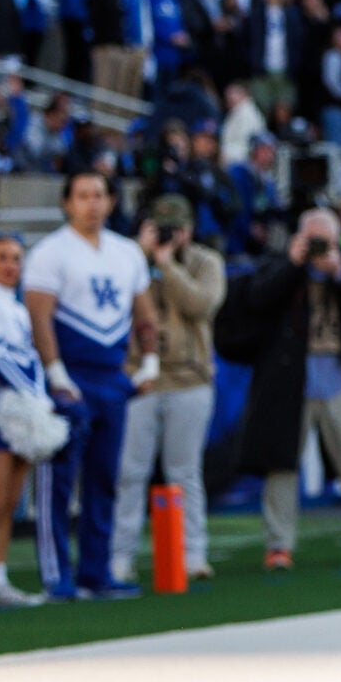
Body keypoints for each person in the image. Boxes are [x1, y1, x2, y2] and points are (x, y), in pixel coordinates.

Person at [214, 207, 341, 569]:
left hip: (338, 375)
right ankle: (278, 544)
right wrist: (291, 262)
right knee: (282, 462)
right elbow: (256, 298)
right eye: (311, 240)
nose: (317, 248)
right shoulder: (281, 264)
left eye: (323, 241)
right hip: (289, 378)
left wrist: (339, 272)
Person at [23, 170, 154, 599]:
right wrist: (55, 372)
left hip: (111, 376)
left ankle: (95, 571)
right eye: (83, 196)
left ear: (111, 202)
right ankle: (57, 574)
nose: (92, 203)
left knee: (104, 479)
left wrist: (150, 361)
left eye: (99, 195)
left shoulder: (127, 251)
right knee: (60, 481)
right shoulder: (50, 252)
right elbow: (39, 316)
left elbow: (144, 313)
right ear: (67, 203)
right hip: (72, 375)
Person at [114, 194, 225, 584]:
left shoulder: (206, 262)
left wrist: (166, 265)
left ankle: (193, 552)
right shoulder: (127, 260)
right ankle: (120, 556)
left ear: (190, 229)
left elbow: (200, 305)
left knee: (184, 471)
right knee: (130, 472)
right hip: (139, 378)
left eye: (176, 227)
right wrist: (142, 258)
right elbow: (114, 304)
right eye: (162, 226)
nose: (169, 235)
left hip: (189, 379)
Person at [0, 235, 62, 608]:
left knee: (10, 502)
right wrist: (35, 399)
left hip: (24, 407)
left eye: (17, 258)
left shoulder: (16, 309)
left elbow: (29, 359)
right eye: (2, 257)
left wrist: (39, 399)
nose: (10, 265)